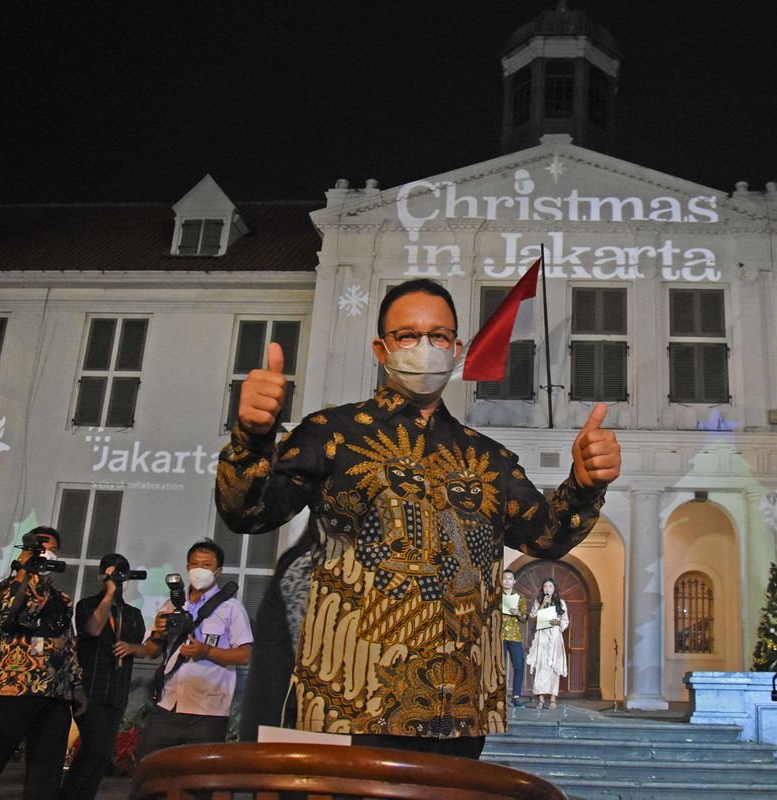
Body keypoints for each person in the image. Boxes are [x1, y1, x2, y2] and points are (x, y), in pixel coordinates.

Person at [215, 278, 621, 759]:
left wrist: (586, 483)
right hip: (347, 703)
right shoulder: (333, 433)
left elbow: (546, 536)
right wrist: (252, 439)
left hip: (457, 714)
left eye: (440, 336)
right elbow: (249, 512)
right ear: (380, 348)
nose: (424, 348)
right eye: (407, 335)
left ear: (457, 348)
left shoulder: (488, 458)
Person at [0, 527, 87, 800]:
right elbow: (1, 617)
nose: (45, 552)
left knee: (46, 767)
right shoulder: (9, 588)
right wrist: (24, 573)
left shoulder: (62, 599)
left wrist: (77, 685)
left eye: (51, 547)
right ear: (26, 551)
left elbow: (68, 643)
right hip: (15, 688)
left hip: (55, 692)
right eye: (39, 547)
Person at [134, 540, 252, 762]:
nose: (199, 569)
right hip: (168, 706)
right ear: (187, 568)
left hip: (208, 713)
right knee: (149, 771)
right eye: (195, 564)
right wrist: (159, 634)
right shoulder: (171, 605)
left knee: (198, 781)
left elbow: (245, 655)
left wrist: (206, 651)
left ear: (218, 572)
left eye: (206, 565)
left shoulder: (231, 608)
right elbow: (149, 651)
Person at [60, 553, 147, 800]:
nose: (118, 578)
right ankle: (68, 795)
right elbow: (92, 630)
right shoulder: (87, 605)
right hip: (90, 688)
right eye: (112, 572)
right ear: (101, 576)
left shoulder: (133, 614)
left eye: (122, 573)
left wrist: (131, 648)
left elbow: (143, 648)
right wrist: (108, 595)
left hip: (117, 689)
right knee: (94, 746)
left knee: (103, 751)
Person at [526, 578, 569, 709]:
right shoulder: (538, 601)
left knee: (553, 668)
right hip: (541, 637)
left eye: (550, 586)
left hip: (555, 637)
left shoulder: (560, 603)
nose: (547, 589)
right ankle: (540, 699)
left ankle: (553, 699)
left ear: (554, 589)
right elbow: (533, 618)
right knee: (540, 666)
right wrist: (542, 604)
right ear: (542, 589)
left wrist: (559, 623)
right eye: (545, 586)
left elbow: (565, 621)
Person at [500, 568, 528, 708]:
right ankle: (499, 697)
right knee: (500, 666)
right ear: (501, 580)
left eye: (510, 578)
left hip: (515, 636)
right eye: (505, 578)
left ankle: (516, 696)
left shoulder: (520, 597)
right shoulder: (496, 595)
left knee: (518, 665)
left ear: (514, 581)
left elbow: (524, 618)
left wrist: (518, 613)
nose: (507, 581)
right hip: (499, 635)